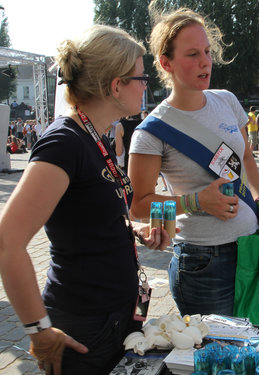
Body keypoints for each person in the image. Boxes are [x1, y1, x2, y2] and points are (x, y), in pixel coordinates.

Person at [0, 25, 171, 375]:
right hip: (84, 327)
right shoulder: (65, 142)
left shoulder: (95, 137)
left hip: (114, 318)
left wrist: (132, 229)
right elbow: (7, 243)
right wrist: (38, 329)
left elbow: (84, 215)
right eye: (141, 77)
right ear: (116, 85)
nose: (145, 86)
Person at [128, 6, 259, 317]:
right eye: (193, 53)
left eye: (207, 51)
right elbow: (139, 207)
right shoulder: (150, 132)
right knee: (215, 356)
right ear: (165, 63)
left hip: (250, 248)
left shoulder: (227, 101)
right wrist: (195, 201)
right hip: (202, 263)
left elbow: (246, 157)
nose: (206, 61)